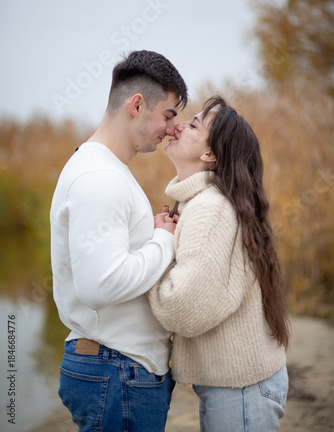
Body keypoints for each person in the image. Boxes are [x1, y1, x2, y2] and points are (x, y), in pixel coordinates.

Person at [50, 50, 188, 431]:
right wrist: (163, 241)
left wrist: (154, 234)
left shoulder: (106, 170)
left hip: (118, 370)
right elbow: (101, 284)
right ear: (137, 104)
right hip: (116, 370)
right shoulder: (100, 177)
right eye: (168, 115)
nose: (172, 129)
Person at [148, 95, 291, 432]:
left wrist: (159, 246)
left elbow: (184, 308)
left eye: (194, 124)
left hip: (241, 392)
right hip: (242, 389)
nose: (179, 125)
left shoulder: (210, 209)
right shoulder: (208, 203)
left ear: (209, 154)